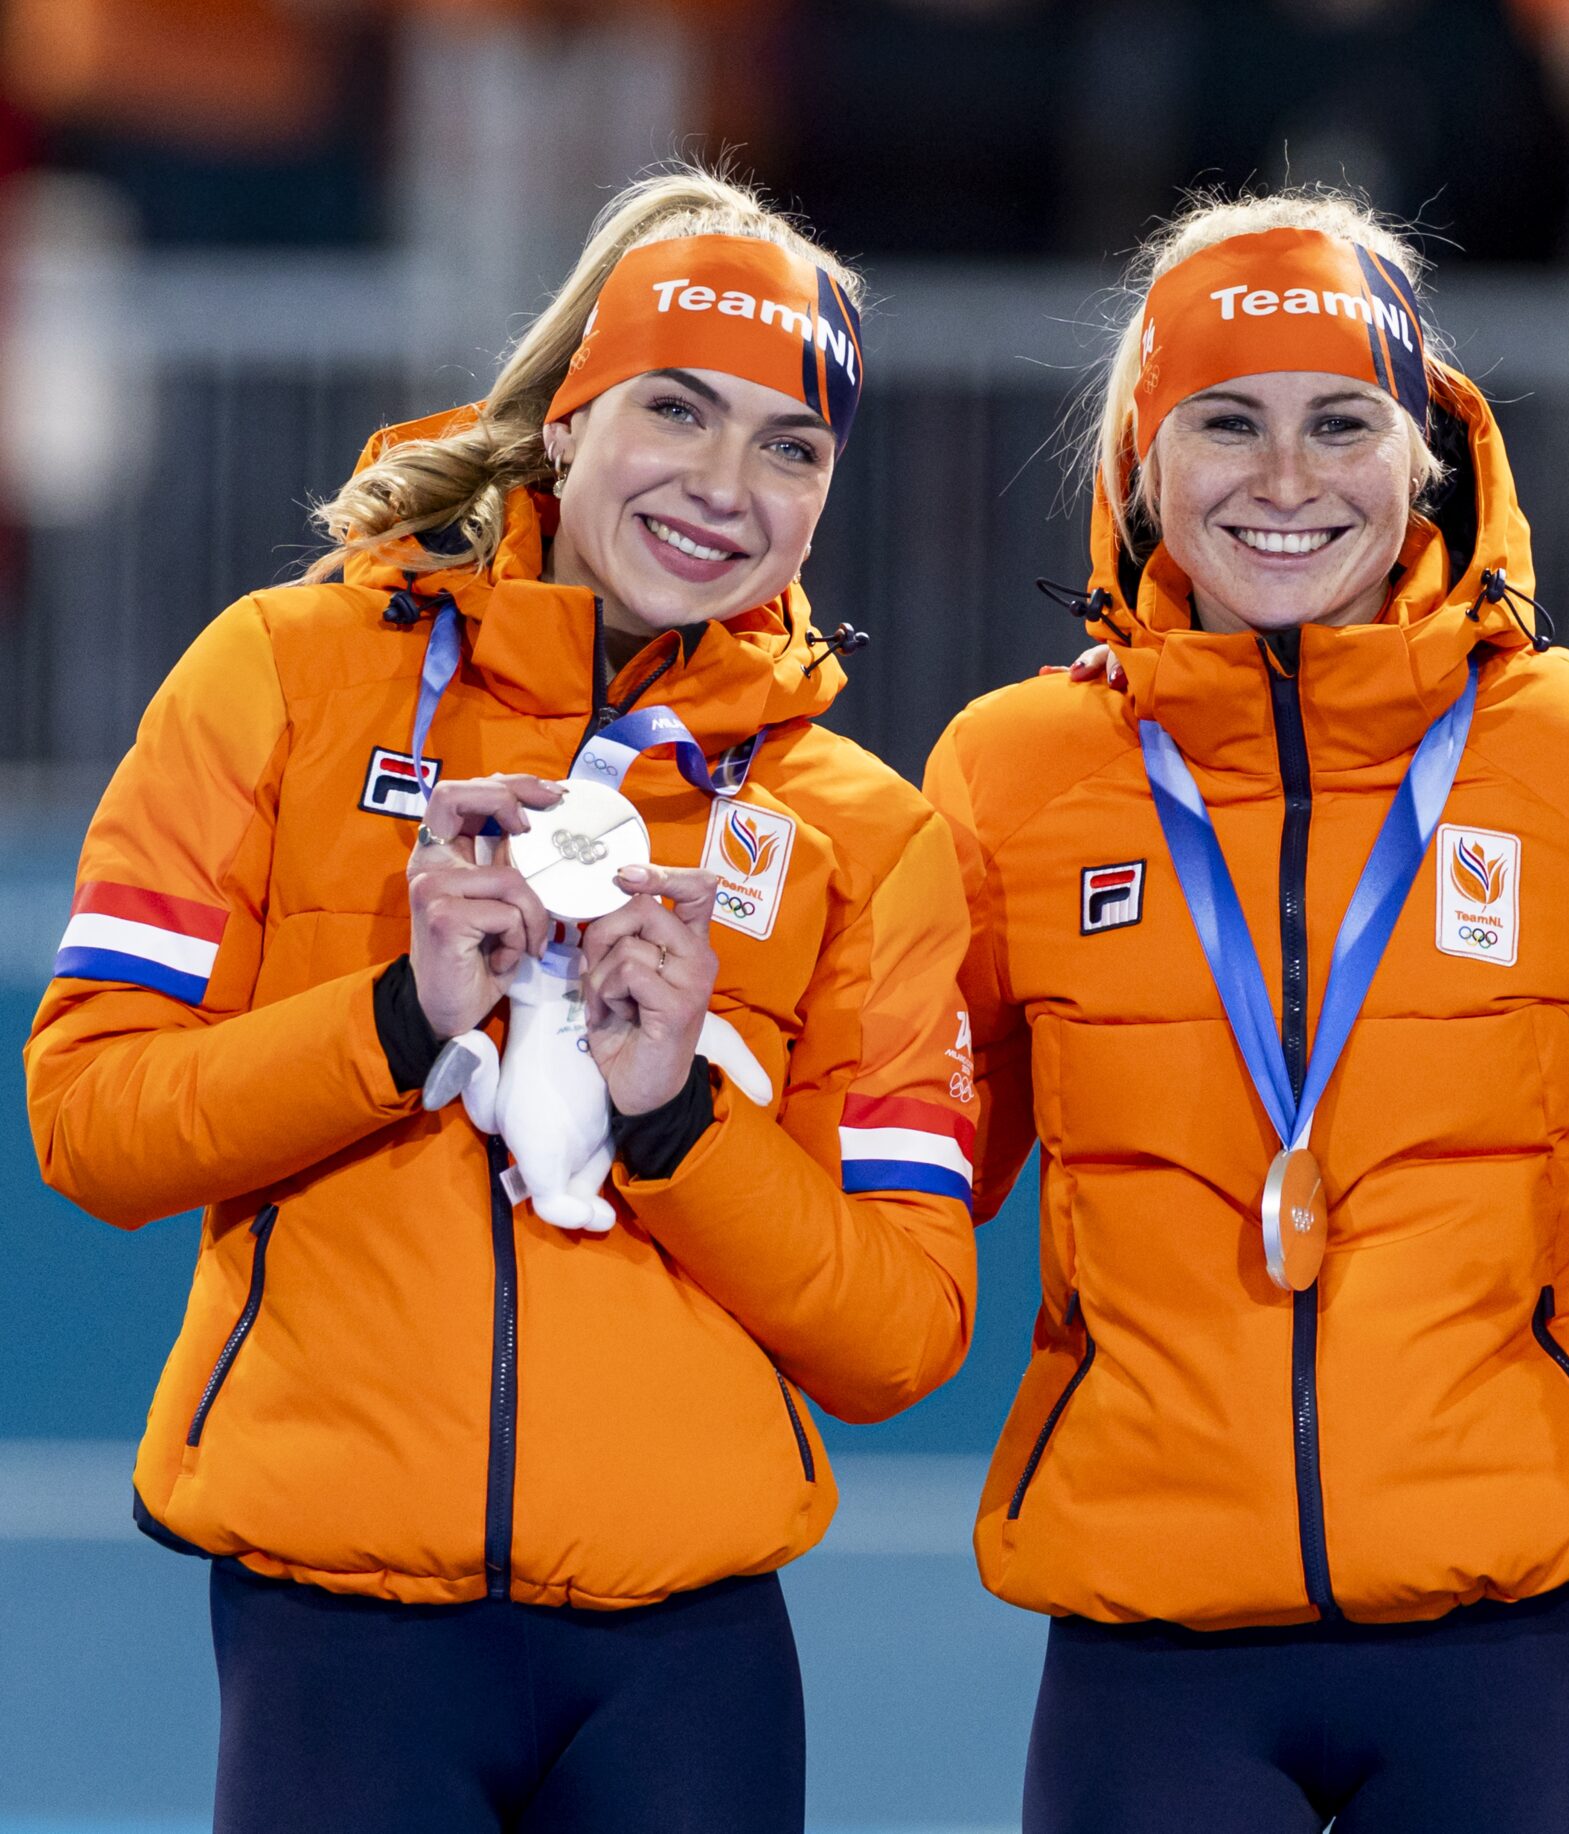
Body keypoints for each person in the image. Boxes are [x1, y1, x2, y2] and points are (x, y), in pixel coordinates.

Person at [23, 166, 979, 1834]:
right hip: (340, 1635)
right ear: (566, 413)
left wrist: (678, 1121)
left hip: (688, 1664)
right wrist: (397, 1020)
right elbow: (90, 1122)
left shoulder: (862, 836)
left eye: (791, 446)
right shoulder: (283, 673)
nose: (724, 486)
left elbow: (901, 1336)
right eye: (675, 408)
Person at [925, 191, 1569, 1833]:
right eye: (1228, 423)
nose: (1286, 479)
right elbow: (920, 1177)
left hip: (1510, 1643)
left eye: (1342, 423)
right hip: (1153, 1650)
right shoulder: (1011, 775)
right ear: (1142, 461)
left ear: (1428, 453)